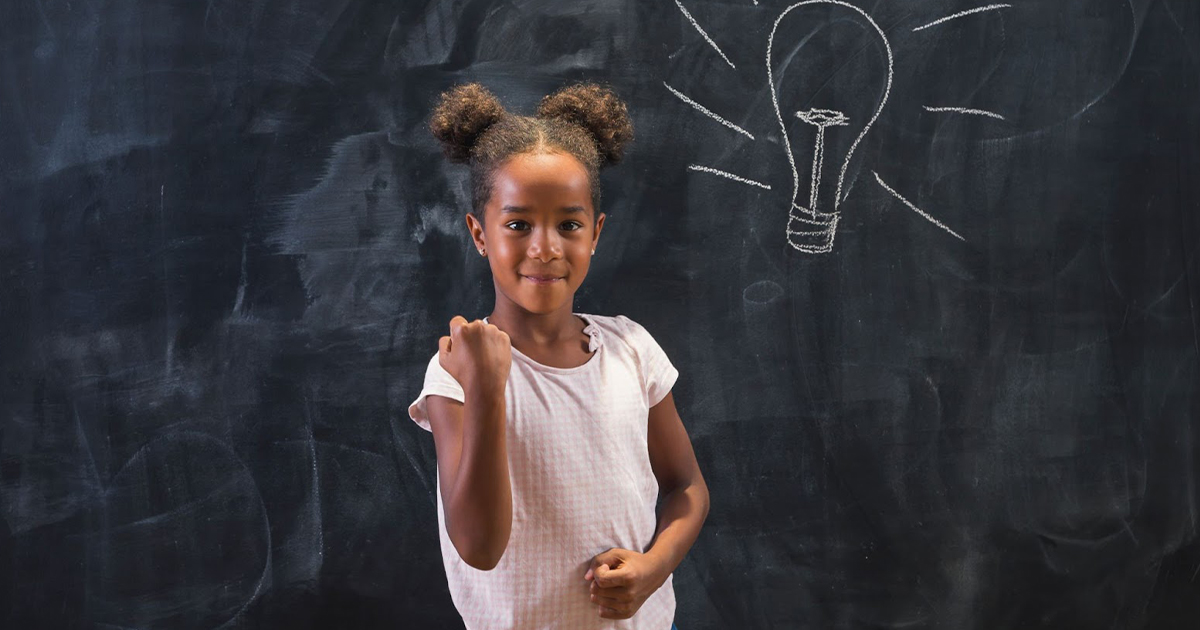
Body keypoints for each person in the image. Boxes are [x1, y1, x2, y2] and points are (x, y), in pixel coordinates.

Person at [407, 81, 709, 630]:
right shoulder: (458, 370)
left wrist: (653, 568)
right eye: (518, 224)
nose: (544, 248)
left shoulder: (630, 350)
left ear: (595, 234)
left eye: (568, 224)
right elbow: (478, 546)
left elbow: (687, 487)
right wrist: (489, 386)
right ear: (480, 234)